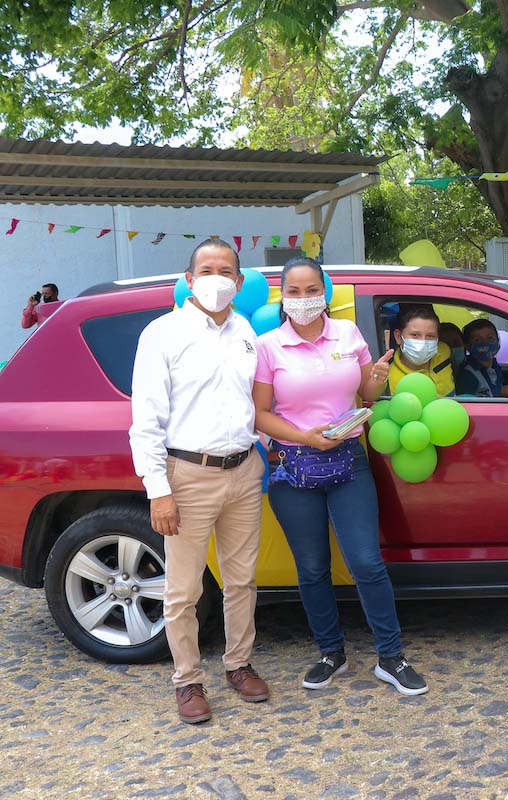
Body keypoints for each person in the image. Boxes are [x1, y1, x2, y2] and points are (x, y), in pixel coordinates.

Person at [253, 257, 427, 696]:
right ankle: (331, 653)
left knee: (366, 562)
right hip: (293, 466)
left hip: (349, 461)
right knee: (312, 568)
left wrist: (377, 379)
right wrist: (304, 437)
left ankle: (391, 657)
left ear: (324, 293)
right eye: (294, 292)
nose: (304, 299)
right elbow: (259, 413)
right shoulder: (268, 346)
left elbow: (365, 394)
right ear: (282, 297)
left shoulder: (348, 333)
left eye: (312, 290)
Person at [128, 238, 270, 725]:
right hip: (188, 475)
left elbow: (251, 403)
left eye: (226, 271)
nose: (216, 279)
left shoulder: (245, 331)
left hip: (244, 471)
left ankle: (238, 663)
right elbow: (145, 421)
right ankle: (187, 680)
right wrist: (159, 491)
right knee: (183, 589)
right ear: (189, 279)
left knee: (242, 579)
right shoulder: (162, 333)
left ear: (239, 281)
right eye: (206, 270)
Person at [388, 306, 455, 397]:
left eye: (430, 336)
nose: (423, 342)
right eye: (415, 335)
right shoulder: (390, 380)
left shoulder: (444, 352)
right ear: (398, 337)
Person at [456, 319, 508, 397]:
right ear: (468, 346)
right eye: (477, 340)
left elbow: (499, 391)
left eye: (490, 338)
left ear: (498, 341)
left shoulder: (494, 367)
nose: (485, 343)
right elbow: (464, 401)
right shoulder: (467, 375)